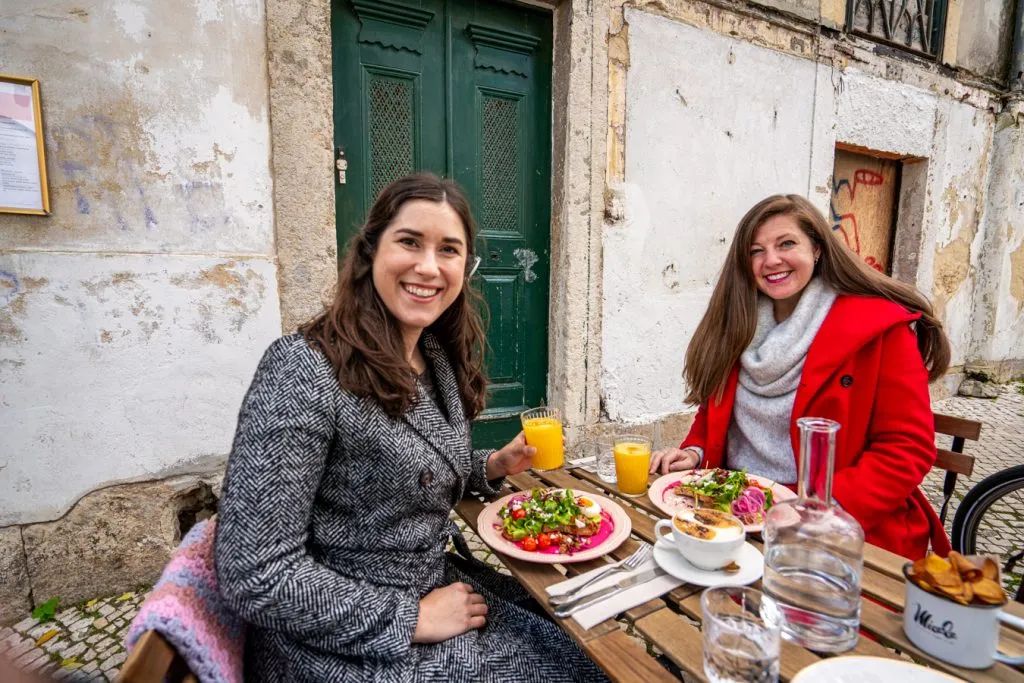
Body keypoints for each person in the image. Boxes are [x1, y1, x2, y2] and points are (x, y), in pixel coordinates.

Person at [214, 173, 607, 682]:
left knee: (586, 635)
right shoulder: (303, 368)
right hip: (344, 644)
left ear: (466, 268)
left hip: (436, 589)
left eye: (448, 249)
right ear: (371, 250)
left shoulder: (435, 357)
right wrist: (411, 618)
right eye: (409, 242)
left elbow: (414, 469)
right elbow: (254, 572)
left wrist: (489, 466)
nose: (428, 266)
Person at [649, 194, 952, 559]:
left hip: (837, 531)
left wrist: (811, 508)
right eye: (756, 251)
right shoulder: (738, 324)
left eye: (786, 243)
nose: (771, 260)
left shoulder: (880, 328)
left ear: (818, 250)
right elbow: (716, 407)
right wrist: (696, 452)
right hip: (738, 518)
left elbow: (907, 448)